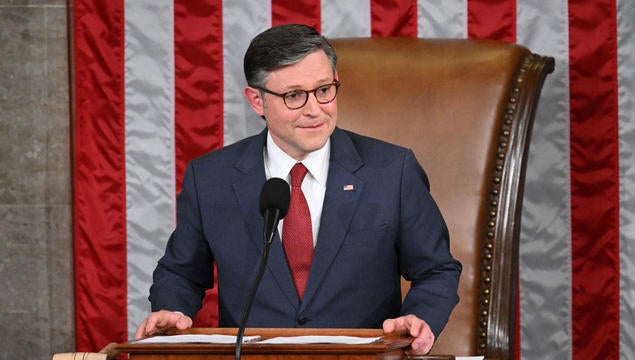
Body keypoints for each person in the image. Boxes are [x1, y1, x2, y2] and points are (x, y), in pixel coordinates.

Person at [135, 24, 461, 356]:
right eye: (294, 95)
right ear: (257, 101)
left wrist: (420, 318)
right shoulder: (211, 178)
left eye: (324, 90)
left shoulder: (392, 171)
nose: (314, 109)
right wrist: (172, 311)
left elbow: (437, 269)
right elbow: (180, 273)